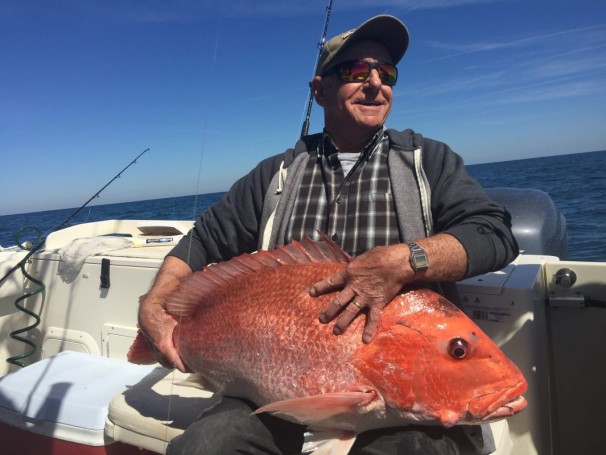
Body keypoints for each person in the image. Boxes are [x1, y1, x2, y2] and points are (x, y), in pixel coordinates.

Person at [138, 15, 518, 455]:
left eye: (387, 72)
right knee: (206, 447)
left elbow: (493, 232)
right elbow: (201, 239)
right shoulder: (275, 174)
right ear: (319, 90)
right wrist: (157, 302)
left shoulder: (426, 161)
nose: (375, 83)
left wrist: (405, 260)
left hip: (402, 396)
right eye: (356, 71)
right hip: (274, 390)